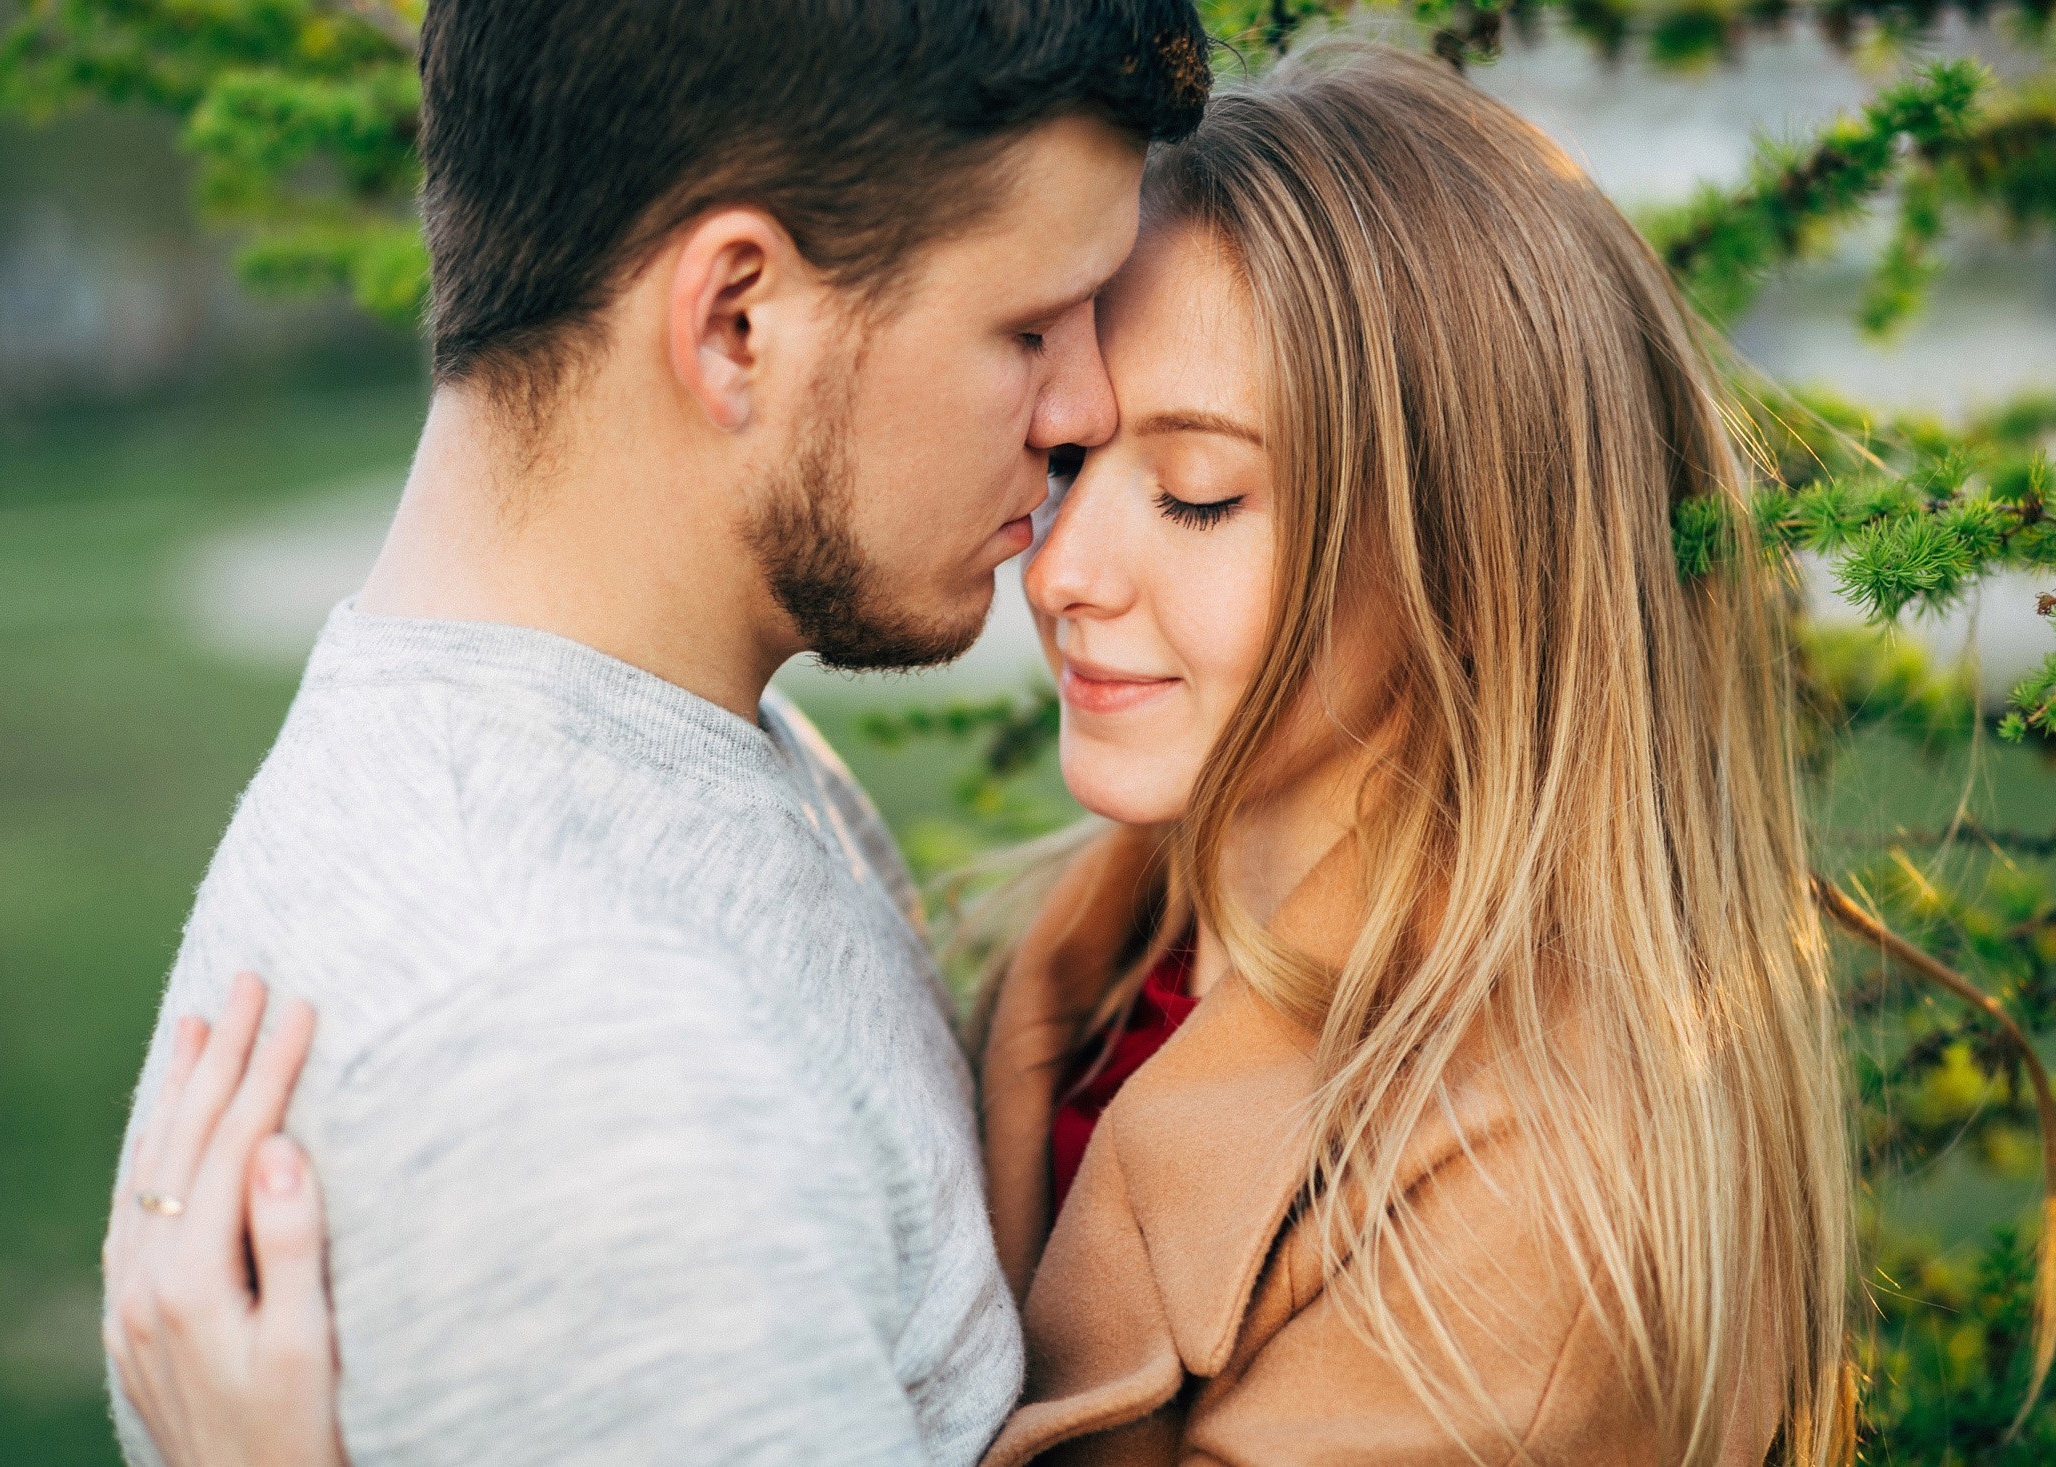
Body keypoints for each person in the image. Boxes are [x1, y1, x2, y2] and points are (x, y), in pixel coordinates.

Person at [107, 41, 1860, 1467]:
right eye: (1040, 355)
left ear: (1474, 557)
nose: (1064, 546)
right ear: (732, 321)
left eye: (1193, 488)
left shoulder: (1519, 1198)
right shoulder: (616, 1045)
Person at [97, 2, 1209, 1464]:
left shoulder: (679, 755)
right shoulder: (577, 1071)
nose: (1084, 407)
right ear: (736, 319)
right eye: (1026, 329)